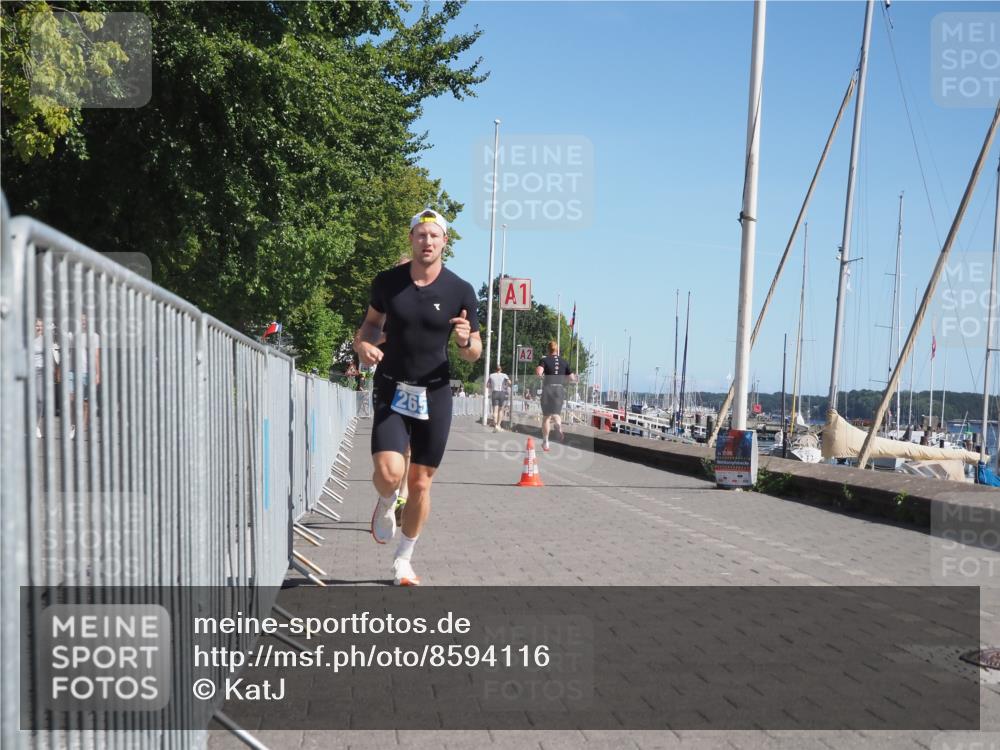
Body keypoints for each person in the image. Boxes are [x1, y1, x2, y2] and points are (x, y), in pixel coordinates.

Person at [354, 209, 482, 586]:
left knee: (421, 483)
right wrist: (363, 345)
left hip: (435, 392)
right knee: (389, 473)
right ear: (411, 239)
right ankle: (386, 499)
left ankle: (403, 559)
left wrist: (465, 341)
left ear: (445, 242)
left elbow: (474, 351)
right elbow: (371, 325)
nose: (427, 242)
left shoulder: (461, 290)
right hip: (392, 386)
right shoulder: (387, 282)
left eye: (434, 236)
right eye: (421, 235)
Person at [536, 340, 577, 452]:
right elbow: (572, 378)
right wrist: (564, 378)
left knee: (546, 417)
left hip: (548, 389)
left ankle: (545, 442)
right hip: (559, 389)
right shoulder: (564, 362)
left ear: (548, 350)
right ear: (557, 350)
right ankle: (558, 426)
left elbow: (539, 372)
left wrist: (541, 375)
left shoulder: (544, 360)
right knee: (557, 414)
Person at [33, 318, 61, 438]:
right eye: (37, 326)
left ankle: (35, 425)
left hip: (41, 372)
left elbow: (53, 355)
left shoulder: (46, 340)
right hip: (28, 373)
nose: (39, 328)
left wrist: (55, 370)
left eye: (41, 326)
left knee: (40, 399)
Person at [487, 364, 510, 432]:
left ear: (495, 369)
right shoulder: (504, 375)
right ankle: (499, 425)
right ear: (501, 369)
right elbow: (509, 382)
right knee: (501, 410)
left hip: (494, 393)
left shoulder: (491, 375)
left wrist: (491, 388)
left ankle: (495, 426)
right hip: (502, 393)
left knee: (495, 411)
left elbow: (487, 385)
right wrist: (505, 386)